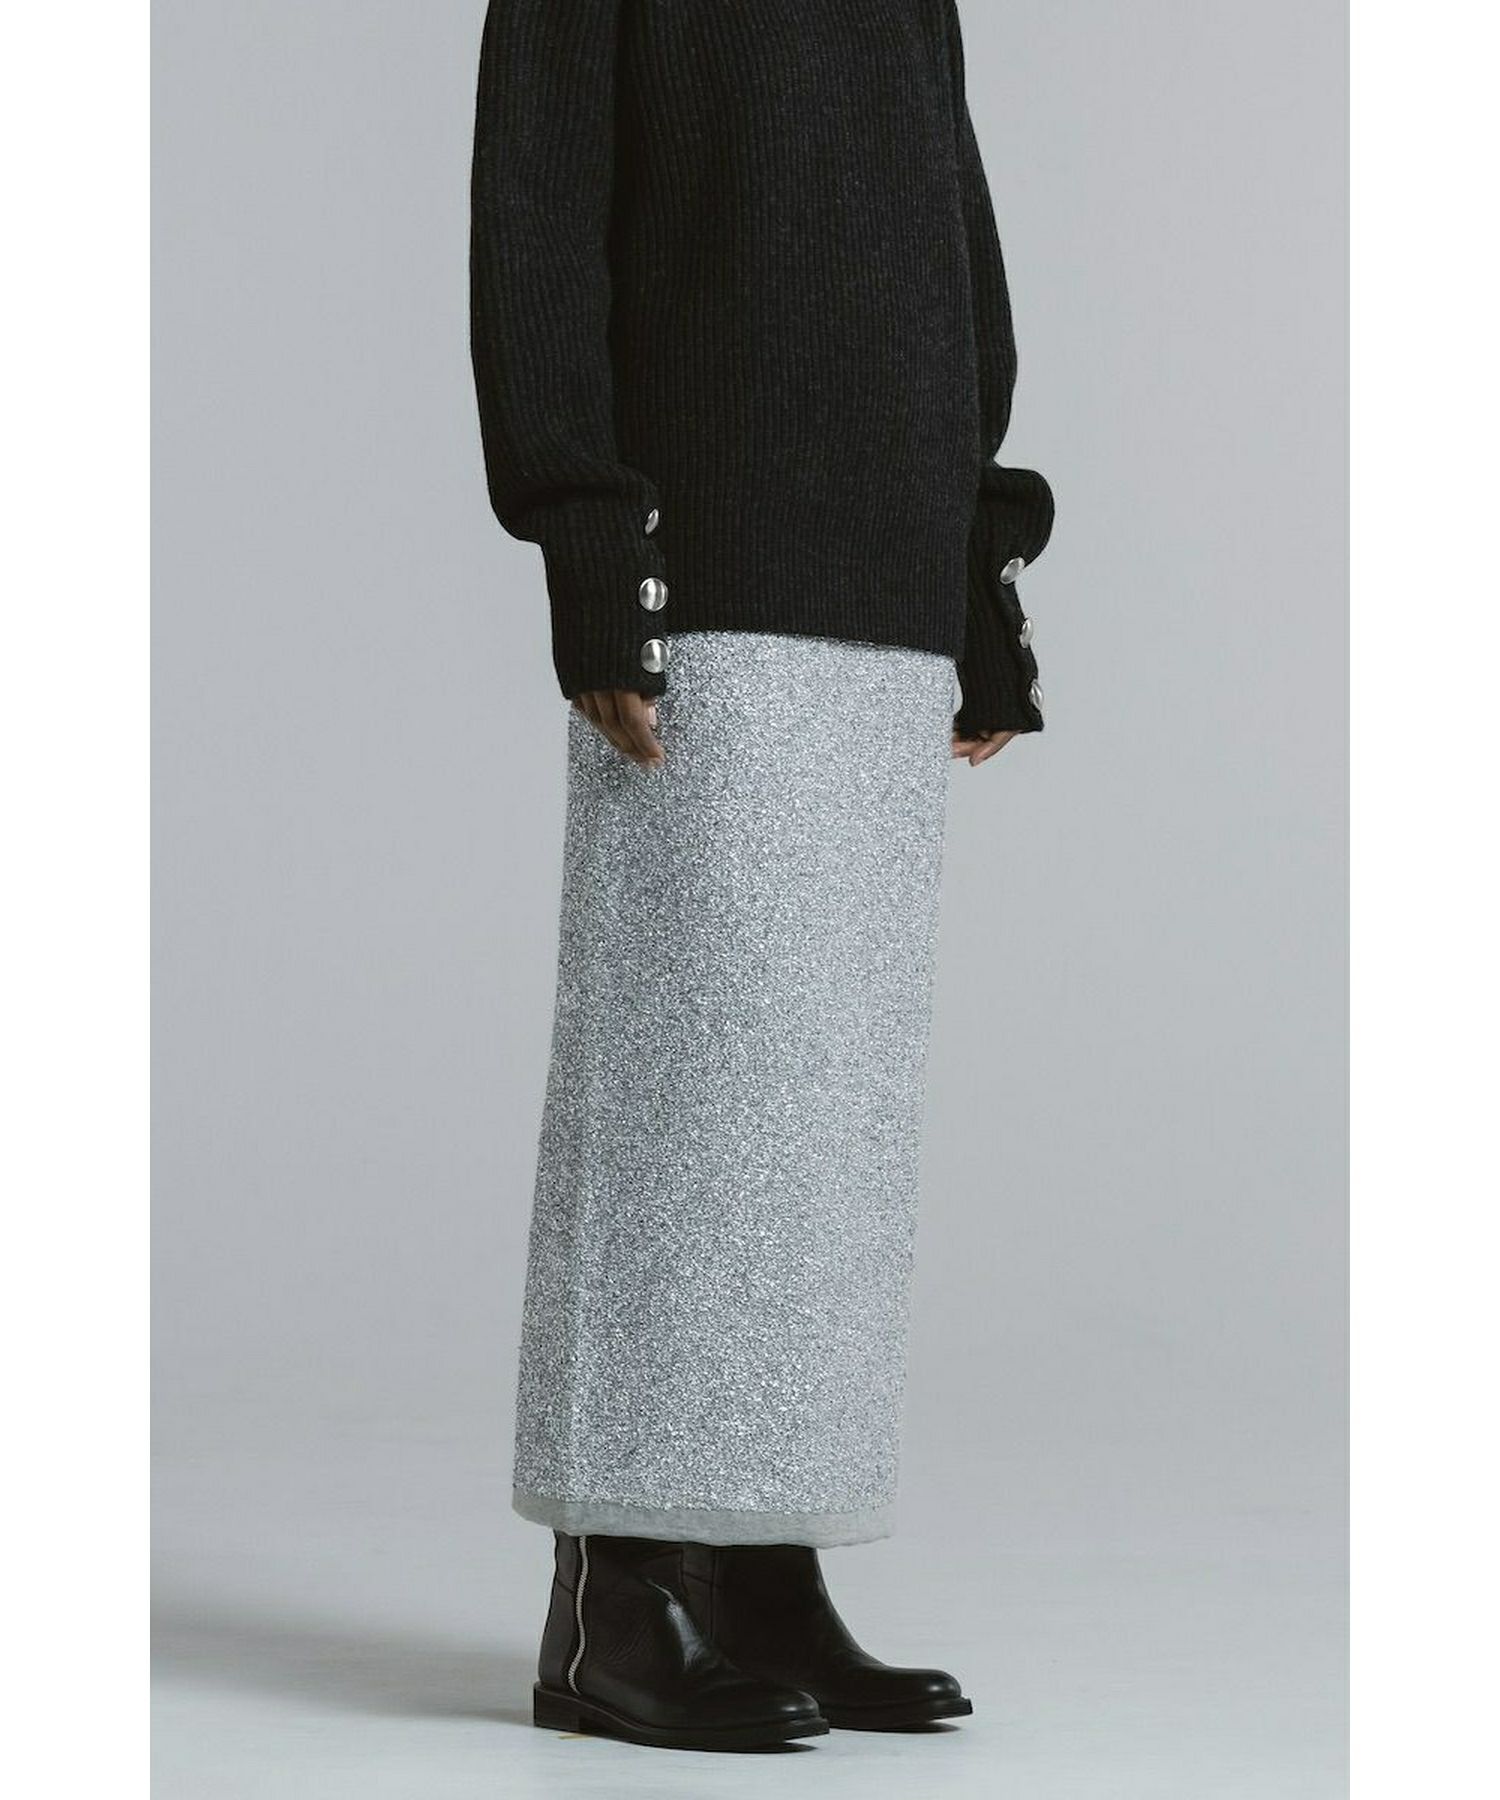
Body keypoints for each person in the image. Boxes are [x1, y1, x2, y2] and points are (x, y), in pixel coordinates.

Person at [470, 0, 1052, 1753]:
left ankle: (761, 1562)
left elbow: (949, 235)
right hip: (704, 546)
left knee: (827, 1102)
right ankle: (619, 1592)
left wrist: (977, 572)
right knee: (687, 1083)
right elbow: (537, 226)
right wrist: (589, 539)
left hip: (881, 557)